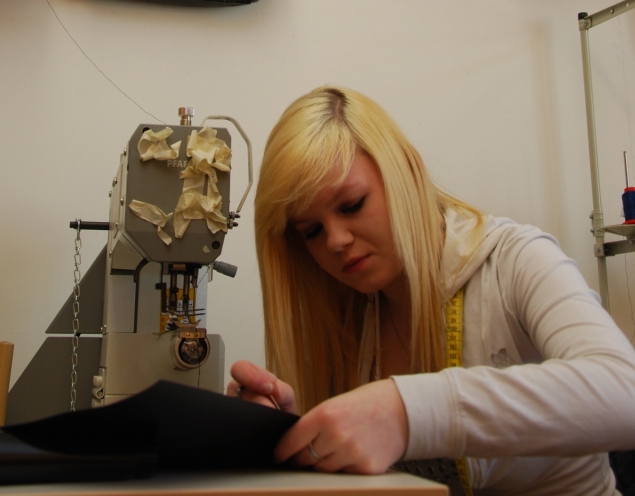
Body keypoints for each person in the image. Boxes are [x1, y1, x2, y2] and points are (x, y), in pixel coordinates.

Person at [228, 86, 635, 495]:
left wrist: (408, 411)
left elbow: (625, 392)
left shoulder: (515, 260)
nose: (335, 240)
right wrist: (295, 435)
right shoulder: (353, 314)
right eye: (312, 231)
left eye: (352, 205)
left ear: (408, 170)